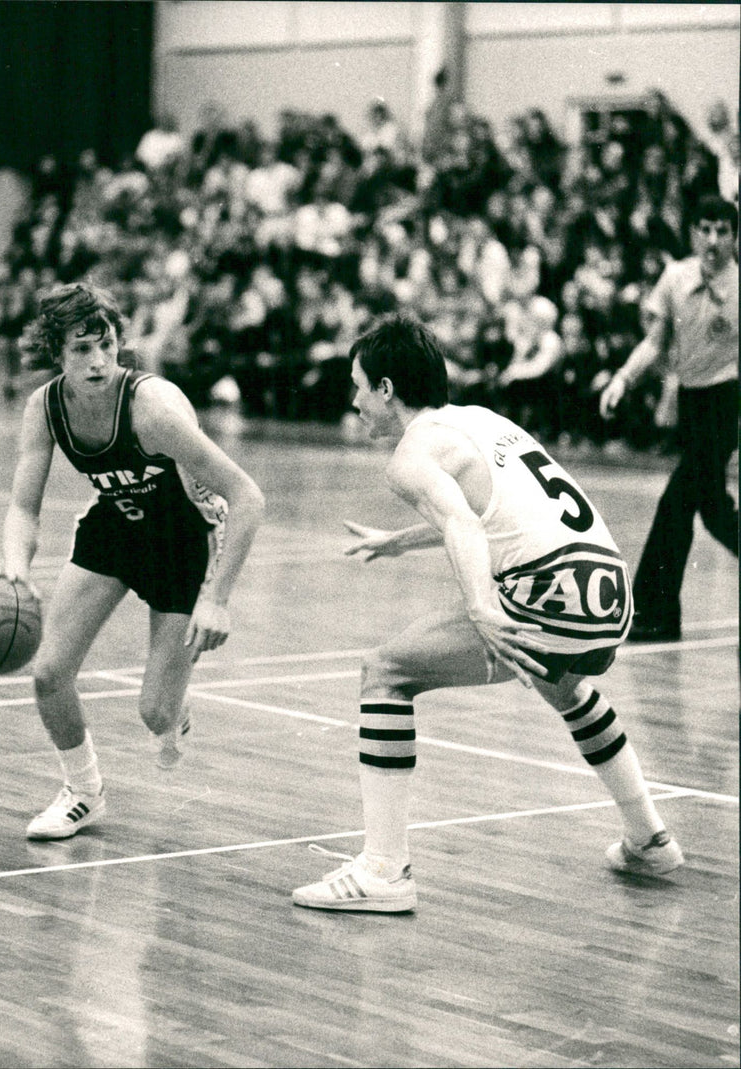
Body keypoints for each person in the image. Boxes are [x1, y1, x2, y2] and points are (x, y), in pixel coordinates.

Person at [292, 314, 682, 913]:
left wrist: (482, 608)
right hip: (610, 591)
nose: (354, 399)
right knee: (566, 686)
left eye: (358, 384)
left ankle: (383, 872)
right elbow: (497, 512)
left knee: (384, 672)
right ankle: (648, 837)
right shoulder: (480, 421)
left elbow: (463, 522)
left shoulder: (408, 456)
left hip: (553, 591)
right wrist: (399, 541)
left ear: (387, 389)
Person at [0, 283, 265, 840]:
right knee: (48, 673)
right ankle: (84, 793)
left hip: (181, 542)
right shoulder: (44, 409)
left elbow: (247, 498)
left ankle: (174, 708)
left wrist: (217, 600)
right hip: (116, 526)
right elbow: (24, 508)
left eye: (106, 344)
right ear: (56, 353)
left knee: (155, 714)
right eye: (80, 349)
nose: (97, 361)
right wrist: (15, 572)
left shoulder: (152, 409)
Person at [599, 195, 738, 642]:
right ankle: (660, 614)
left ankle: (656, 612)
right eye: (705, 229)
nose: (713, 240)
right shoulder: (676, 278)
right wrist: (623, 378)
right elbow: (655, 343)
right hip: (694, 402)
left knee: (676, 503)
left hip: (727, 400)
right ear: (693, 232)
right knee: (715, 510)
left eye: (722, 230)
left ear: (734, 236)